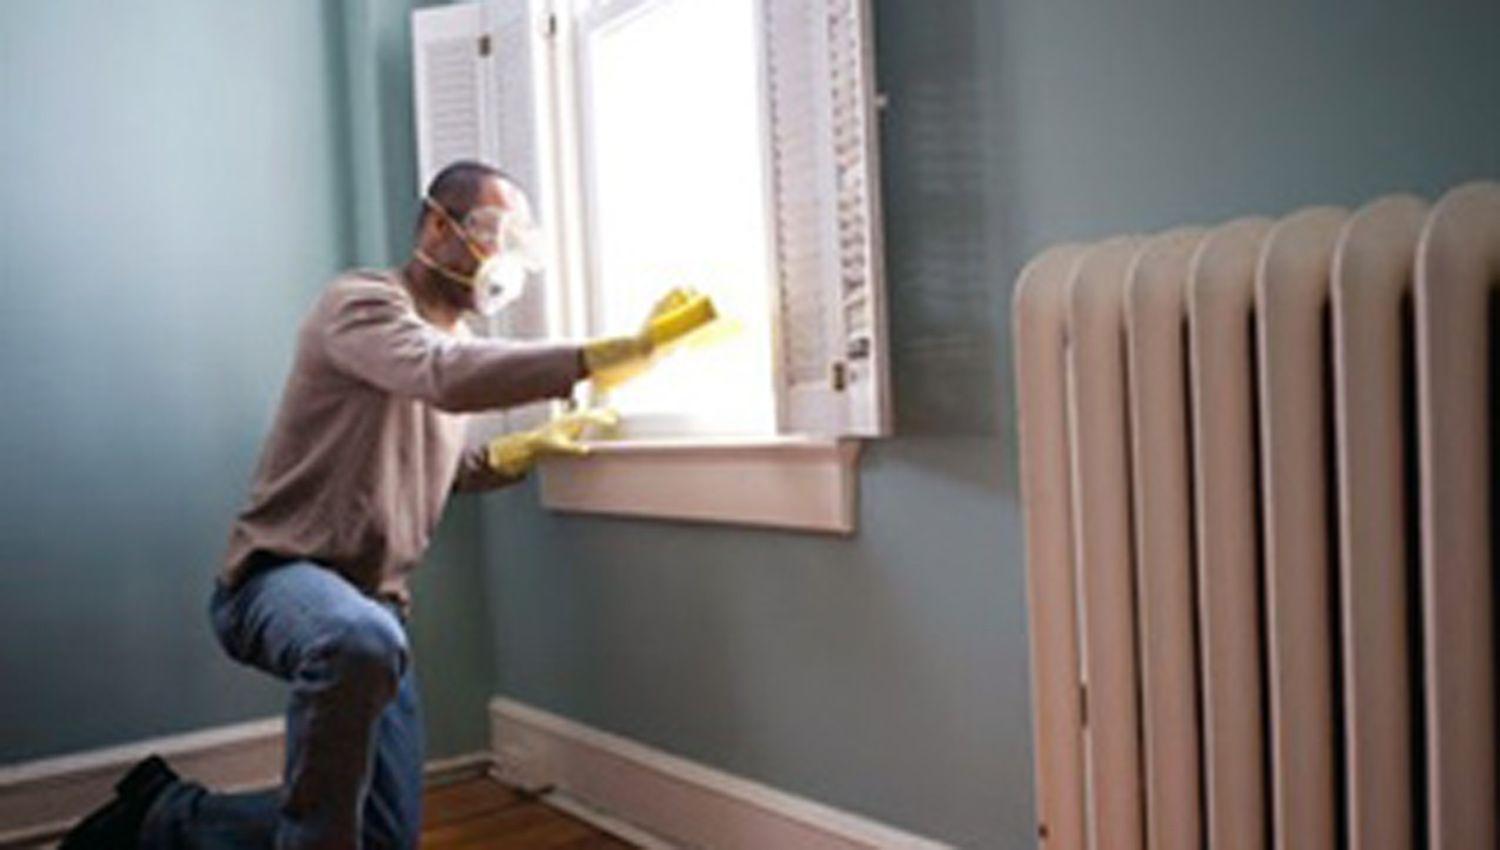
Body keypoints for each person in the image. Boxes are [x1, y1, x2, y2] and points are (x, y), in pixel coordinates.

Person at [60, 160, 699, 850]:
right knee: (355, 644)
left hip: (377, 613)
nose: (503, 255)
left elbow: (446, 463)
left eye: (519, 243)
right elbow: (440, 376)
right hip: (276, 580)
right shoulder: (362, 304)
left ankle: (165, 816)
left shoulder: (457, 346)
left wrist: (532, 448)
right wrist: (600, 356)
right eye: (493, 232)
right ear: (436, 224)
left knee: (383, 834)